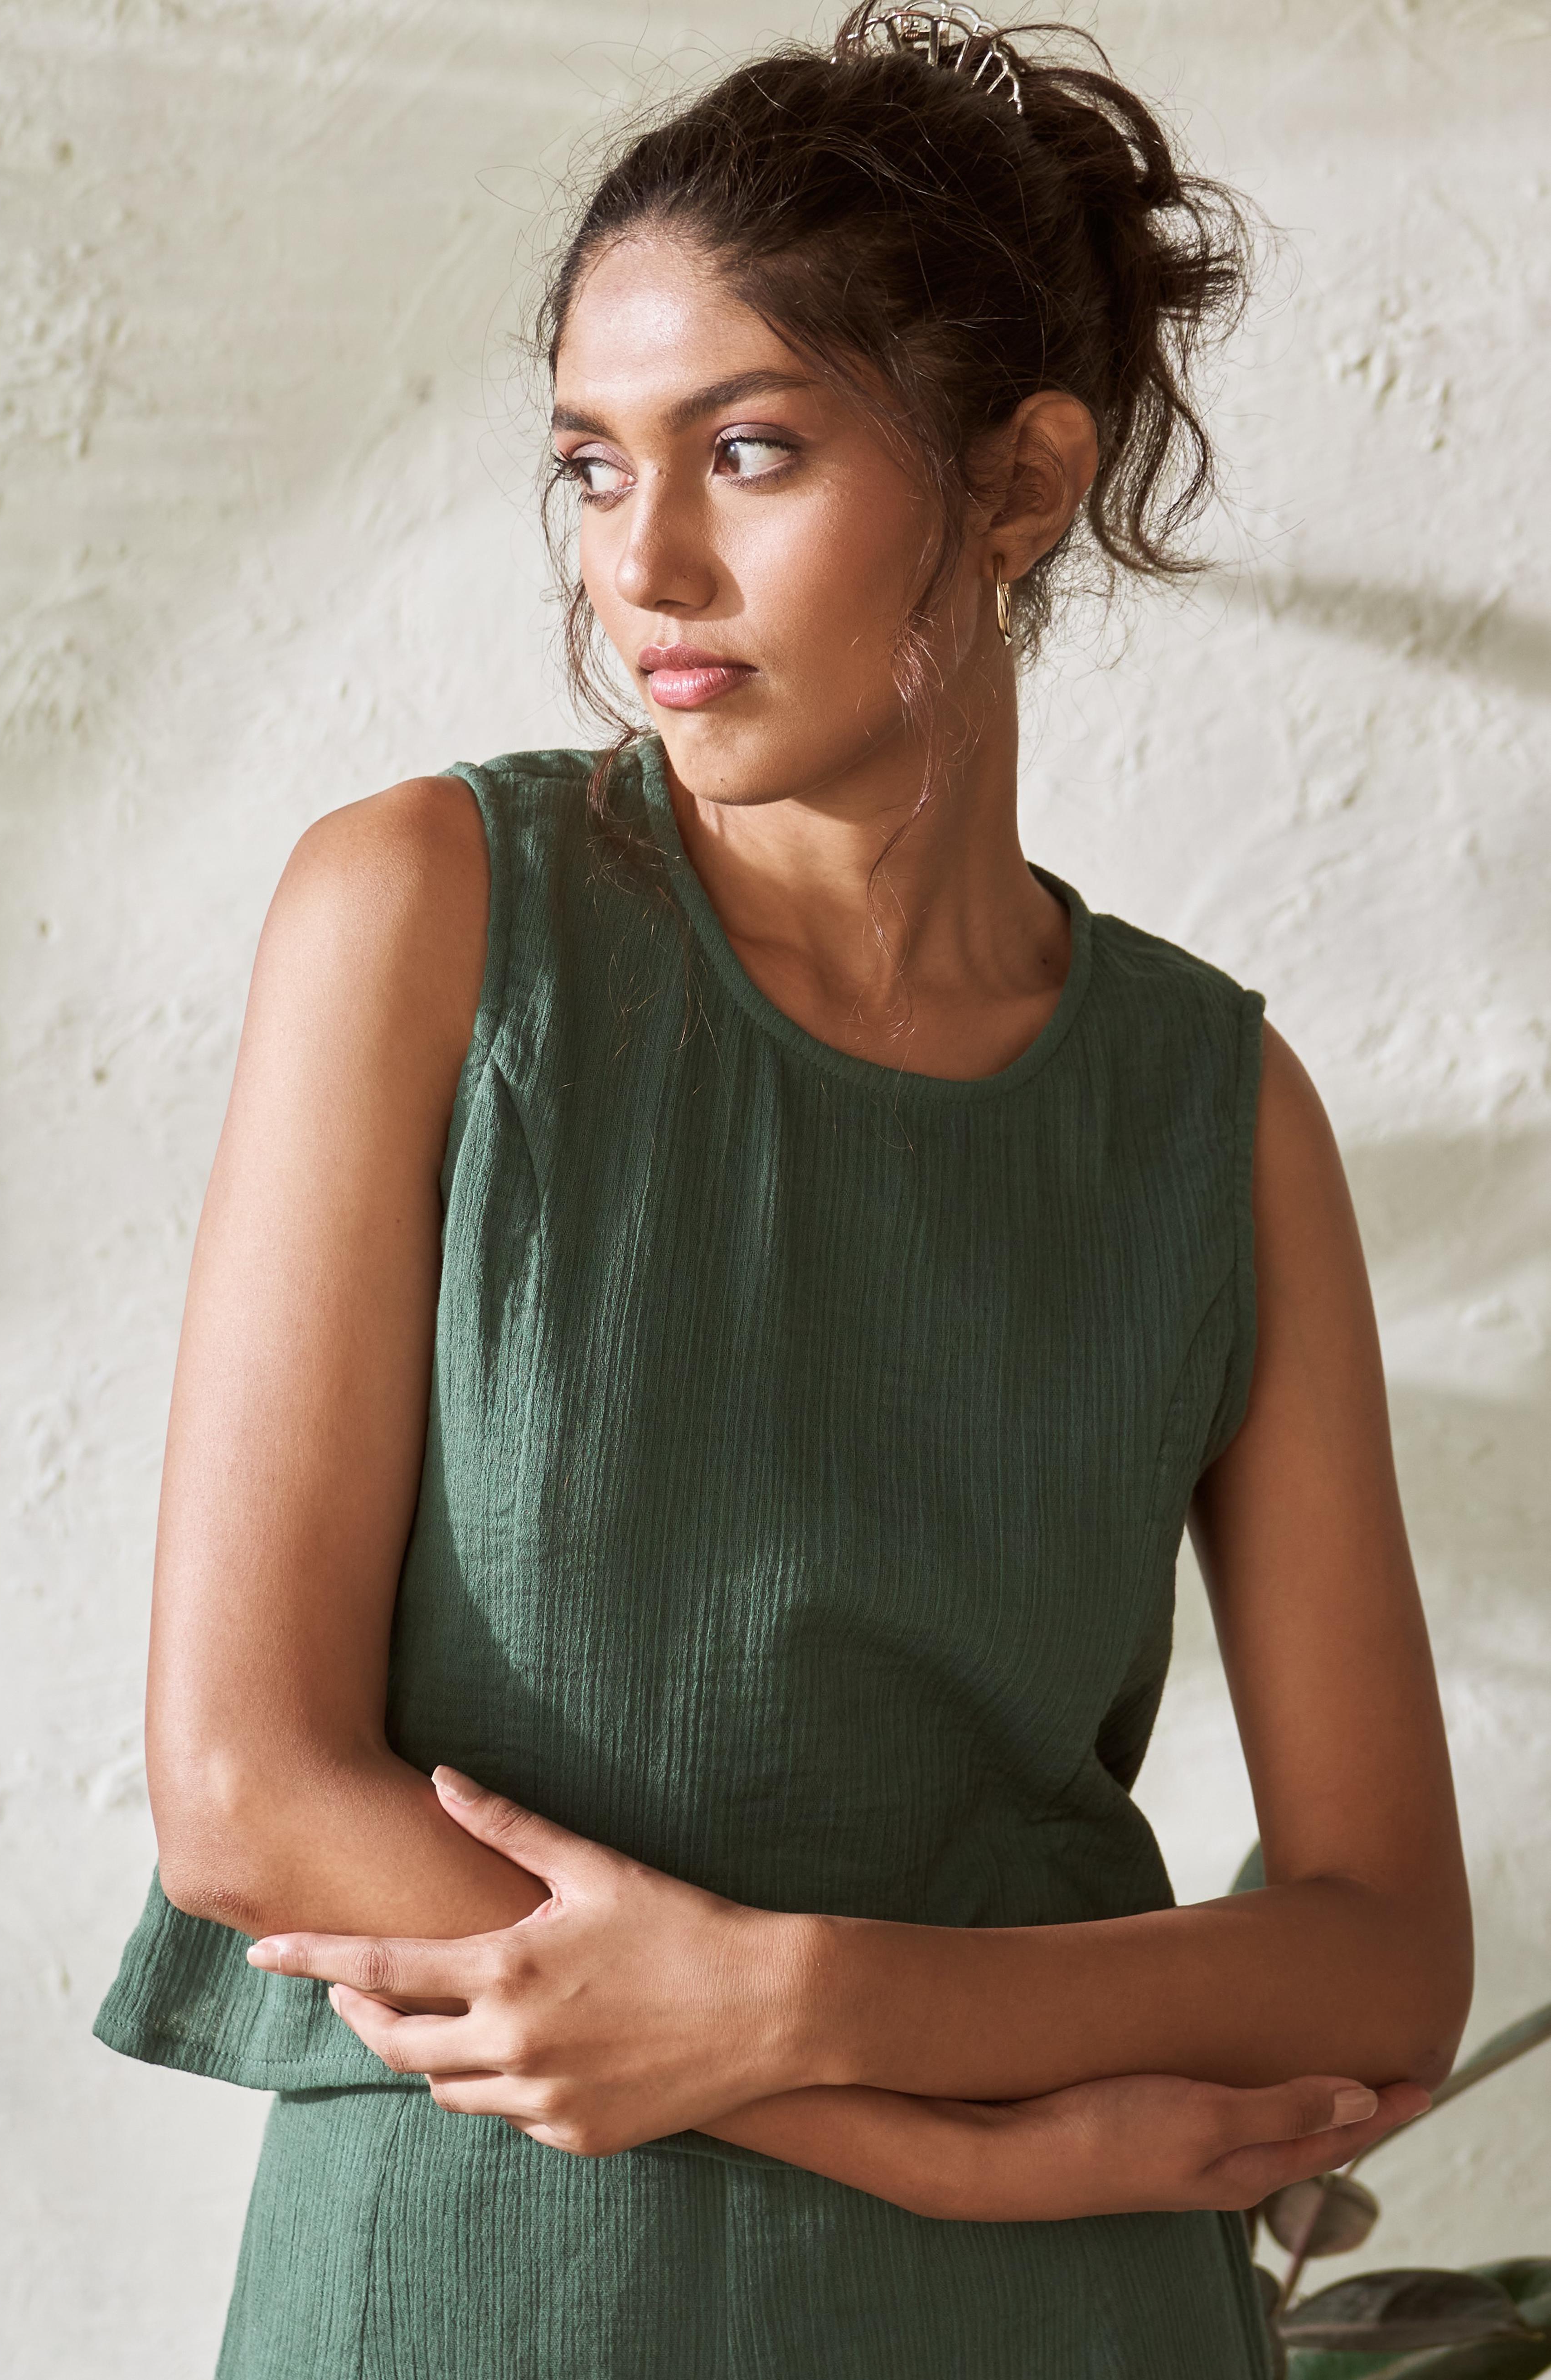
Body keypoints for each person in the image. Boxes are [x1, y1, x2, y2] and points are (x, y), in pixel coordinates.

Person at [94, 8, 1473, 2375]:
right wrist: (955, 2144)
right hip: (491, 2292)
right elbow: (247, 1794)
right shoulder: (424, 914)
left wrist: (804, 1996)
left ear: (1021, 482)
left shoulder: (1214, 1110)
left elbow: (1381, 1951)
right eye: (590, 464)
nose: (644, 561)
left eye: (749, 449)